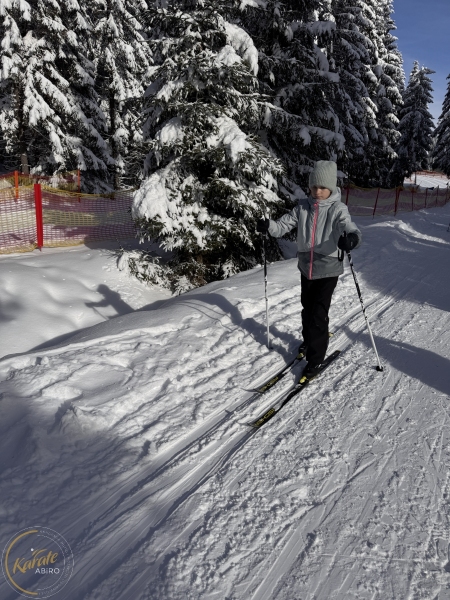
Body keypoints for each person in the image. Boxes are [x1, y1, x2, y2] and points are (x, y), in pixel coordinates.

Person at [257, 160, 361, 379]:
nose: (317, 191)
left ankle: (316, 358)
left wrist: (352, 238)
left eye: (322, 187)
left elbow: (348, 226)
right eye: (314, 186)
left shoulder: (337, 209)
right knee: (307, 309)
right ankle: (309, 340)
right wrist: (269, 226)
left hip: (328, 269)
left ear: (331, 187)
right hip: (307, 268)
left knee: (317, 315)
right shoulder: (302, 207)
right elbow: (282, 226)